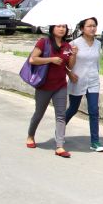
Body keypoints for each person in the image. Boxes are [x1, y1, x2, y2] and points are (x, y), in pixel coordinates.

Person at [26, 24, 77, 158]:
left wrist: (74, 54)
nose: (61, 29)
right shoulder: (44, 42)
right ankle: (30, 136)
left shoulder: (67, 46)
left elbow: (69, 65)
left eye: (64, 27)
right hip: (44, 85)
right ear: (52, 28)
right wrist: (51, 59)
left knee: (61, 115)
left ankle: (59, 146)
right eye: (58, 26)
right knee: (39, 113)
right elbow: (33, 59)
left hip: (60, 85)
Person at [65, 17, 103, 152]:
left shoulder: (98, 44)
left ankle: (95, 142)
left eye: (94, 26)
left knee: (94, 111)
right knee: (73, 109)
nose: (92, 28)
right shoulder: (74, 44)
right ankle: (60, 129)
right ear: (82, 29)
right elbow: (67, 64)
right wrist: (70, 73)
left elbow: (96, 63)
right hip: (78, 80)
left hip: (93, 81)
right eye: (89, 26)